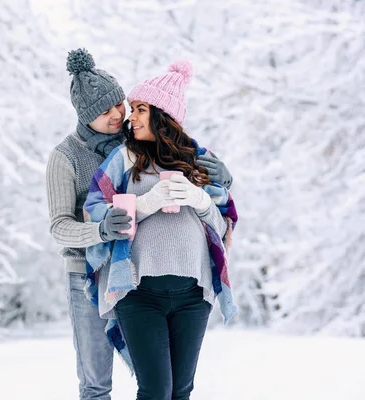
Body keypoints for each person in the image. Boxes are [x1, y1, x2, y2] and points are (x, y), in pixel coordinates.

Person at [46, 49, 233, 400]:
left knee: (171, 384)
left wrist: (219, 181)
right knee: (99, 382)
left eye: (122, 104)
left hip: (160, 275)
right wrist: (103, 228)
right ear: (87, 118)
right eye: (107, 112)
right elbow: (61, 225)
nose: (120, 115)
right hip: (92, 270)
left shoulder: (140, 141)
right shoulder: (71, 157)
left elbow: (205, 184)